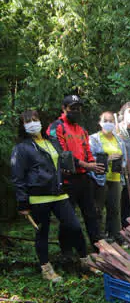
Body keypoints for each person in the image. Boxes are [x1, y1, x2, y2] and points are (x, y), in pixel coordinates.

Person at [11, 110, 88, 282]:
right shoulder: (21, 148)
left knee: (74, 227)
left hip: (59, 194)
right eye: (27, 121)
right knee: (42, 233)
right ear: (23, 127)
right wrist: (23, 202)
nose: (32, 123)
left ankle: (85, 260)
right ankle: (46, 269)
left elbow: (60, 161)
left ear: (40, 121)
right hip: (38, 197)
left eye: (35, 119)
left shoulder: (50, 141)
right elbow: (18, 177)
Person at [47, 94, 104, 251]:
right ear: (64, 108)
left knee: (91, 214)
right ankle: (66, 251)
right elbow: (61, 154)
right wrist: (86, 165)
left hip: (84, 178)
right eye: (72, 108)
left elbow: (87, 151)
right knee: (68, 217)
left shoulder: (82, 130)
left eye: (78, 108)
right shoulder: (56, 127)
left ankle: (98, 247)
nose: (76, 111)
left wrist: (93, 165)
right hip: (66, 179)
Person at [89, 111, 127, 243]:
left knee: (115, 209)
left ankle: (115, 235)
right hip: (99, 178)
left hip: (115, 178)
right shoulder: (94, 139)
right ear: (100, 122)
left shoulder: (119, 139)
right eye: (106, 120)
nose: (109, 123)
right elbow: (89, 158)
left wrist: (122, 165)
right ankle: (98, 237)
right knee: (98, 209)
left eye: (111, 120)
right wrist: (108, 159)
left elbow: (124, 158)